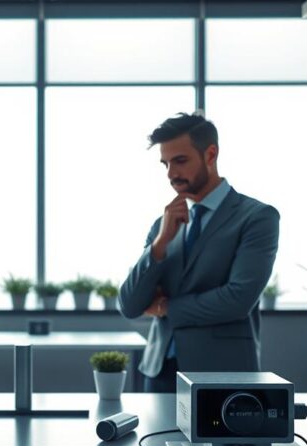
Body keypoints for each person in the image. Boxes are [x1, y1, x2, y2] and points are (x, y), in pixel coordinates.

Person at [118, 112, 280, 393]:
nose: (171, 174)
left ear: (210, 154)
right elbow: (130, 305)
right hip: (158, 375)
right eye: (165, 164)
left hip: (222, 374)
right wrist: (159, 245)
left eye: (180, 161)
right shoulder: (164, 224)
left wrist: (166, 307)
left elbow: (238, 299)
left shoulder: (256, 217)